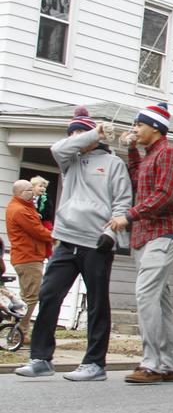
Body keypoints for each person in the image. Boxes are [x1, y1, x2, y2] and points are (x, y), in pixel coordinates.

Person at [16, 109, 131, 381]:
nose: (74, 138)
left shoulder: (114, 165)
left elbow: (123, 202)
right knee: (49, 294)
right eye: (72, 133)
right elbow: (58, 148)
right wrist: (90, 133)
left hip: (97, 242)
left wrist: (112, 236)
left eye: (80, 132)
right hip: (67, 240)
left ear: (94, 137)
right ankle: (41, 358)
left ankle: (95, 364)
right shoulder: (70, 161)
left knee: (97, 303)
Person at [110, 102, 173, 385]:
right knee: (160, 301)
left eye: (139, 125)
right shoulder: (150, 156)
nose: (135, 129)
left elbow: (165, 194)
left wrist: (128, 216)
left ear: (155, 127)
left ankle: (151, 363)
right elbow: (137, 178)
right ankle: (170, 365)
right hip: (146, 236)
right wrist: (131, 148)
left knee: (145, 294)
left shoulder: (168, 153)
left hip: (164, 234)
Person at [5, 180, 54, 344]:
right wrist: (56, 236)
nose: (32, 192)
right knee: (31, 298)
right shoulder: (20, 210)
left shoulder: (24, 207)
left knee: (25, 296)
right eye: (28, 190)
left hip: (27, 256)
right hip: (28, 257)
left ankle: (15, 331)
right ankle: (20, 333)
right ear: (19, 192)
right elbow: (38, 231)